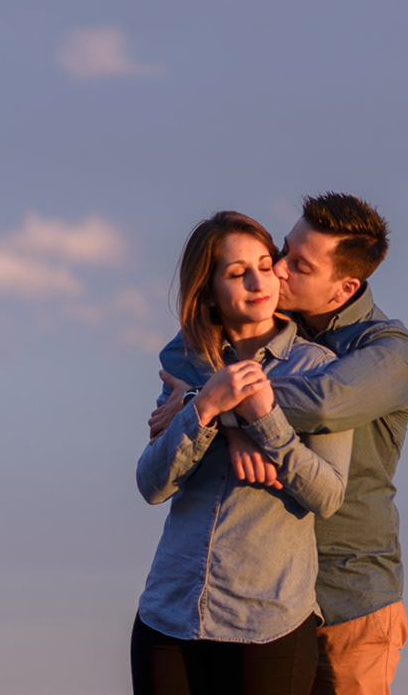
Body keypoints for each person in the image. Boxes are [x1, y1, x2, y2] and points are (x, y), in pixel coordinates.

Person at [150, 193, 408, 695]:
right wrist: (218, 414)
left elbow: (319, 404)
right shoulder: (255, 330)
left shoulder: (387, 352)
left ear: (344, 289)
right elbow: (187, 355)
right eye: (284, 250)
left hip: (348, 600)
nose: (276, 270)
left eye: (300, 265)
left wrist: (206, 406)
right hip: (253, 597)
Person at [132, 210, 355, 695]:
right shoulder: (186, 364)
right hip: (168, 617)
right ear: (209, 291)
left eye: (264, 265)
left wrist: (262, 420)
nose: (259, 281)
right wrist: (206, 405)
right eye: (237, 273)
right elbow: (151, 484)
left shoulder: (319, 370)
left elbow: (328, 495)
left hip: (267, 624)